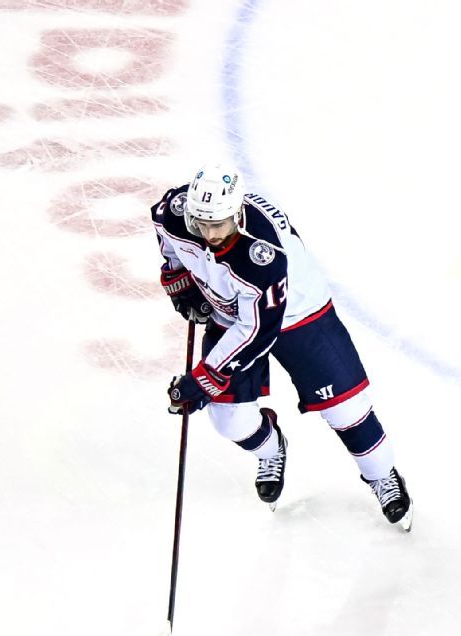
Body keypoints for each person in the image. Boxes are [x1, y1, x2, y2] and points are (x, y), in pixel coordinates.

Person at [151, 162, 413, 530]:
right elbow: (166, 232)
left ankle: (382, 475)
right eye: (201, 224)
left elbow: (256, 331)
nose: (209, 234)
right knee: (230, 421)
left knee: (346, 410)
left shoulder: (263, 255)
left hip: (297, 314)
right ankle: (272, 448)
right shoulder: (177, 212)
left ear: (237, 213)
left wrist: (203, 379)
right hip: (232, 313)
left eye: (218, 225)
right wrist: (178, 278)